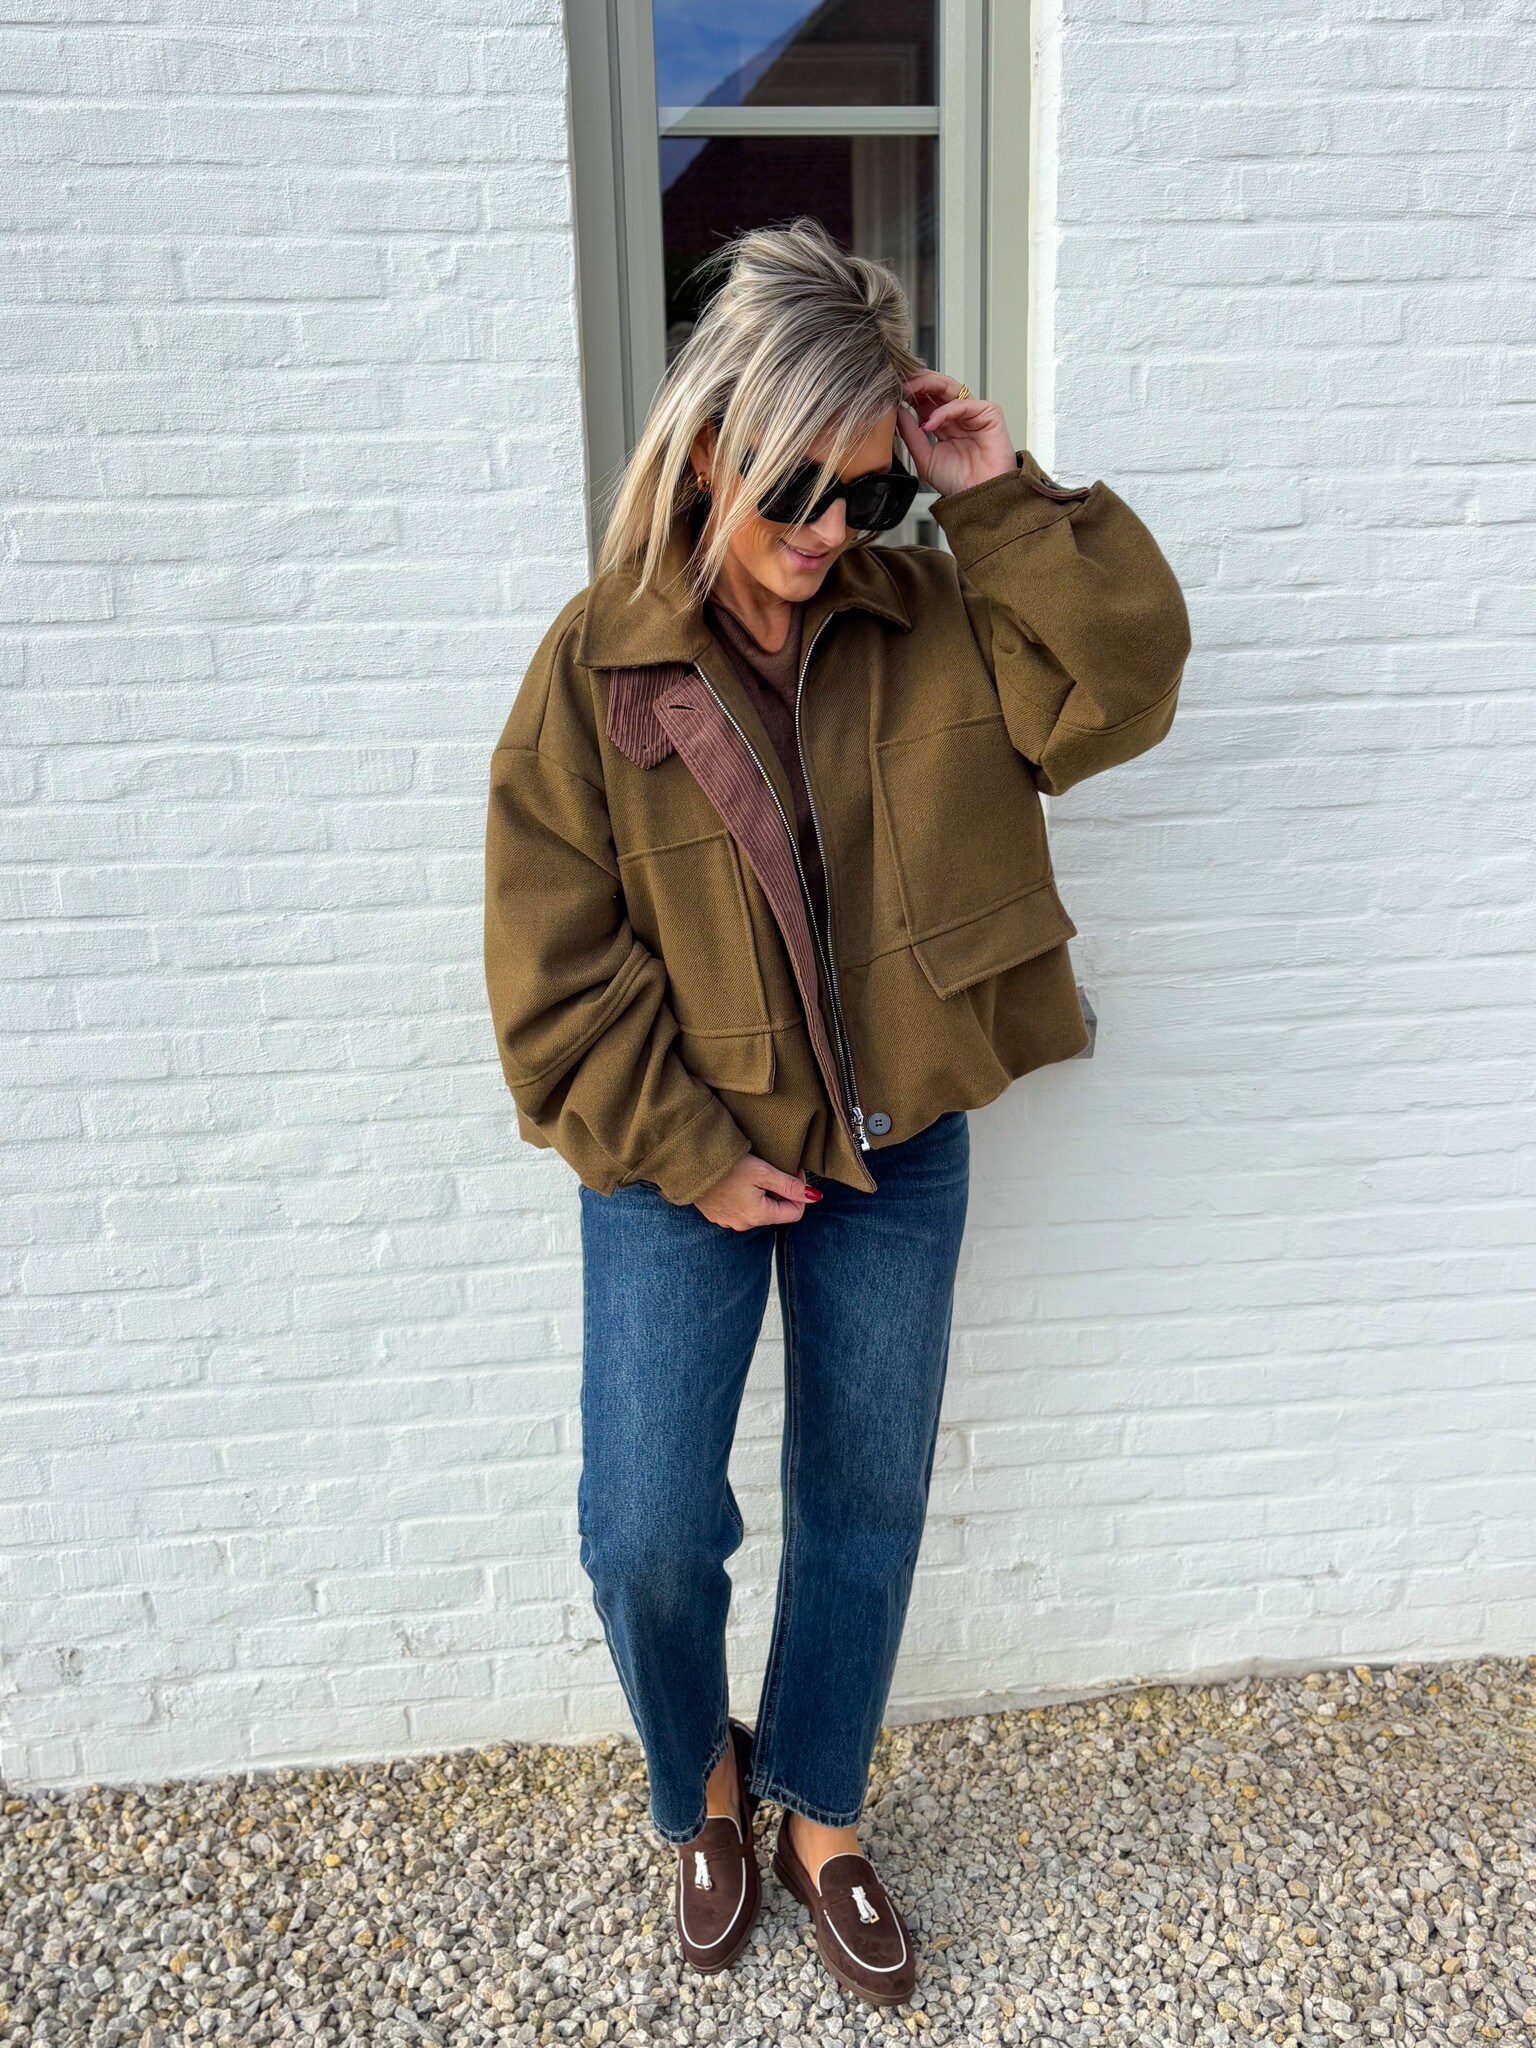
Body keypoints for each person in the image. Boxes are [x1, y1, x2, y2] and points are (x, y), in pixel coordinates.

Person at [484, 216, 1190, 2007]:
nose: (829, 531)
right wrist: (694, 1154)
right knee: (646, 1527)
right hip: (678, 1155)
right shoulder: (596, 669)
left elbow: (1118, 694)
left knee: (864, 1503)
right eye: (800, 486)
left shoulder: (938, 614)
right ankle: (700, 1785)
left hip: (898, 1142)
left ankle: (820, 1804)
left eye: (868, 495)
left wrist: (990, 495)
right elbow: (552, 968)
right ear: (709, 444)